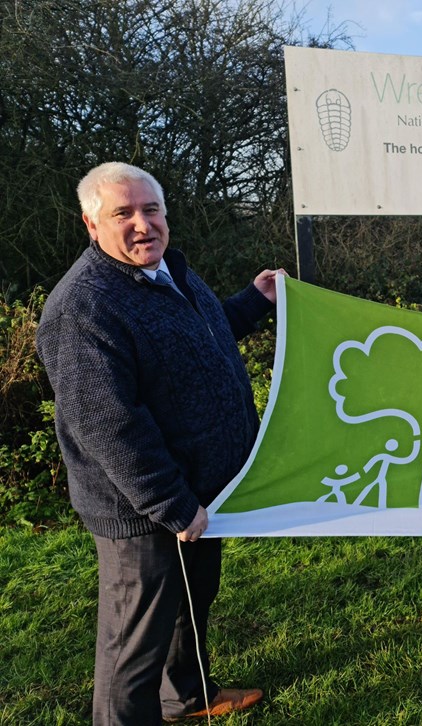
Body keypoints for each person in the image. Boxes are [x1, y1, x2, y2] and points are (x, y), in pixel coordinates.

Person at [36, 162, 284, 723]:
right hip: (146, 511)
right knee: (134, 646)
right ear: (90, 224)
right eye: (122, 213)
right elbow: (110, 425)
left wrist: (254, 300)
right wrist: (172, 505)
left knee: (190, 608)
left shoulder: (168, 270)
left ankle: (188, 698)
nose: (142, 225)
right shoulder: (83, 308)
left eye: (151, 210)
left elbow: (200, 331)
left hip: (202, 492)